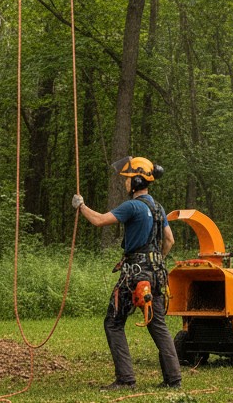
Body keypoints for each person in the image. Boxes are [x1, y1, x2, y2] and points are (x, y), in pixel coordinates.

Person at [73, 156, 182, 391]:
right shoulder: (158, 207)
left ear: (137, 181)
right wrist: (157, 259)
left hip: (135, 274)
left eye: (128, 179)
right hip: (156, 274)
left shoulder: (132, 206)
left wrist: (81, 206)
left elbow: (99, 220)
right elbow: (170, 240)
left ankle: (125, 379)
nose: (125, 183)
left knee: (113, 322)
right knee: (158, 325)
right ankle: (173, 379)